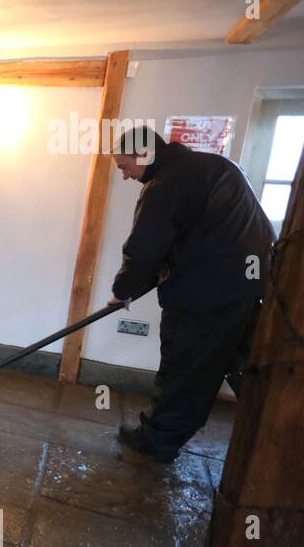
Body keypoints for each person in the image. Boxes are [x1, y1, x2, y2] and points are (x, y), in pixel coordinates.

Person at [108, 125, 274, 463]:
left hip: (202, 295)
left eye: (125, 167)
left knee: (185, 368)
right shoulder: (218, 166)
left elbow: (144, 250)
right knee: (242, 365)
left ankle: (158, 442)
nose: (126, 177)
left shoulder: (164, 185)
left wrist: (123, 291)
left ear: (145, 155)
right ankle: (270, 437)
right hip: (248, 289)